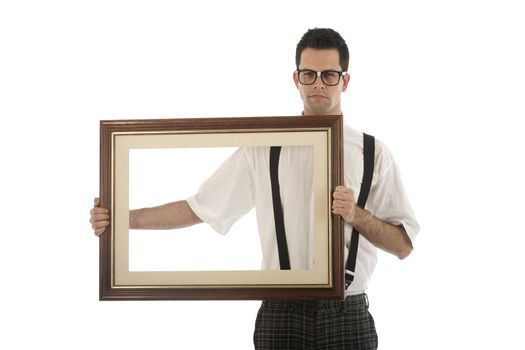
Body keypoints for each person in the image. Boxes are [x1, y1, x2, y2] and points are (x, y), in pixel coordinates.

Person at [90, 28, 419, 349]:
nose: (318, 83)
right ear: (296, 79)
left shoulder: (373, 152)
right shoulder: (264, 147)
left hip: (349, 313)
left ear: (344, 81)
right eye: (309, 74)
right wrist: (121, 218)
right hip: (281, 313)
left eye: (329, 75)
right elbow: (199, 207)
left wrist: (356, 215)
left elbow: (403, 245)